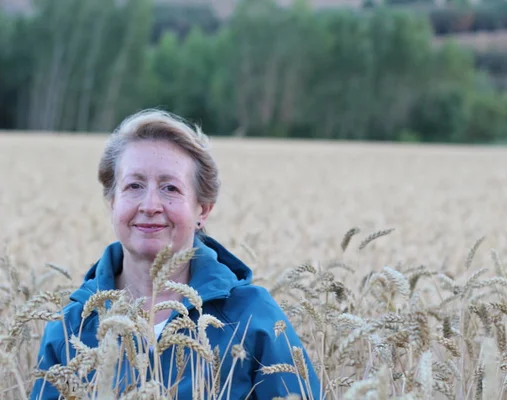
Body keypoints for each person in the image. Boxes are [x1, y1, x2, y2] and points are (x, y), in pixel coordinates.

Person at [31, 110, 321, 399]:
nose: (150, 204)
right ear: (112, 202)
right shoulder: (70, 329)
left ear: (202, 210)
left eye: (170, 188)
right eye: (134, 186)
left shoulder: (252, 318)